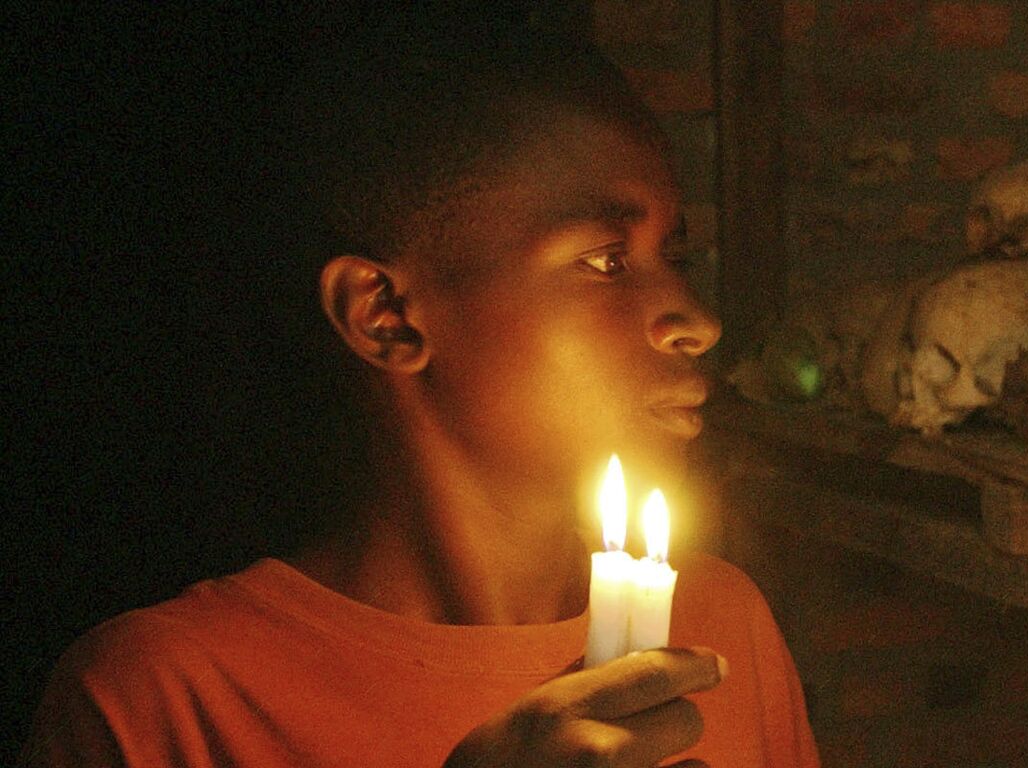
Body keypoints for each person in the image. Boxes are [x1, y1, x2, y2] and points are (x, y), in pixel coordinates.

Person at [24, 18, 818, 768]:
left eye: (672, 254)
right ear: (386, 317)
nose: (697, 322)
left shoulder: (717, 627)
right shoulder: (161, 700)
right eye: (607, 260)